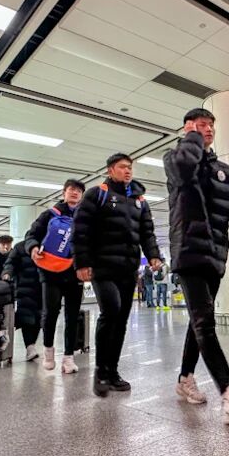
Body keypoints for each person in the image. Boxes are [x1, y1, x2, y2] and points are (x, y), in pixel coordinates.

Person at [165, 108, 229, 424]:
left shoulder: (224, 170)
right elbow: (184, 168)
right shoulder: (176, 159)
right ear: (188, 128)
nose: (209, 129)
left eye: (211, 125)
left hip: (215, 255)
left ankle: (185, 379)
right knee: (205, 323)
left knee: (200, 320)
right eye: (202, 125)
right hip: (188, 252)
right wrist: (192, 138)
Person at [73, 154, 161, 397]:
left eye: (130, 167)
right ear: (110, 170)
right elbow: (80, 229)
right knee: (111, 311)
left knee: (121, 319)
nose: (128, 171)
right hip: (102, 267)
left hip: (128, 268)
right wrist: (82, 262)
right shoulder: (96, 194)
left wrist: (153, 255)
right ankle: (101, 371)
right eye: (122, 167)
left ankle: (112, 371)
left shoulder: (139, 200)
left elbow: (147, 232)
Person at [24, 179, 86, 374]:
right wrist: (33, 247)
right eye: (71, 190)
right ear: (63, 192)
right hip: (50, 272)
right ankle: (48, 350)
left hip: (75, 272)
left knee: (73, 316)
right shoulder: (50, 214)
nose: (75, 193)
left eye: (78, 191)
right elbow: (31, 235)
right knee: (50, 312)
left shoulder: (85, 217)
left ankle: (68, 358)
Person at [2, 239, 42, 362]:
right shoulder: (20, 247)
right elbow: (10, 263)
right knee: (27, 319)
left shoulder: (46, 244)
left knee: (39, 319)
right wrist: (7, 273)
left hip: (43, 288)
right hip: (24, 288)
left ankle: (32, 345)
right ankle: (30, 347)